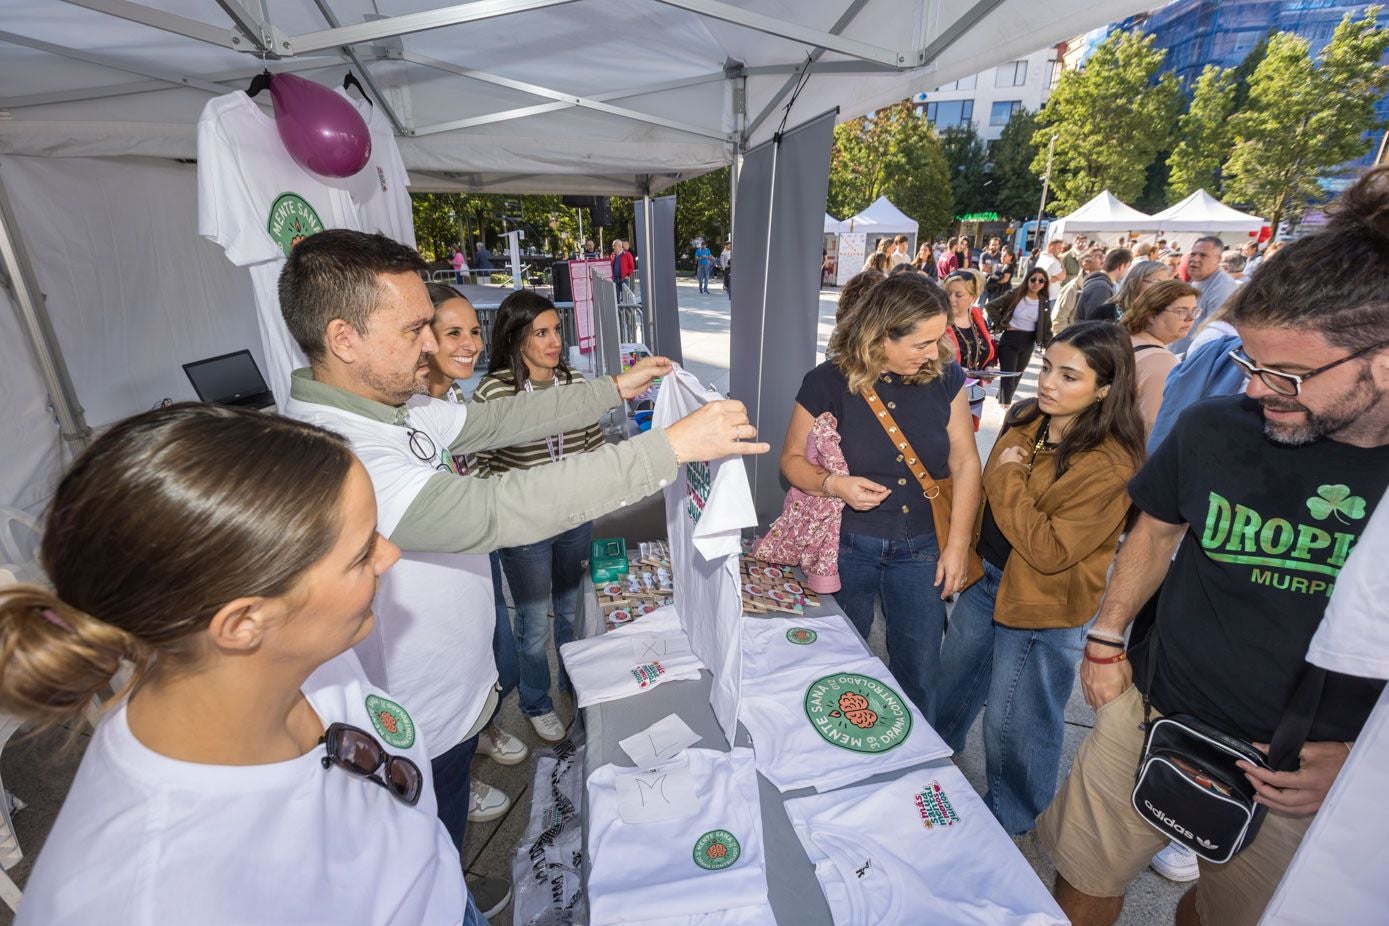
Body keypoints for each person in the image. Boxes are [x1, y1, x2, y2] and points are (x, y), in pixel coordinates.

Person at [277, 230, 767, 915]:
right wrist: (667, 449)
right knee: (421, 871)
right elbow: (498, 508)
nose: (432, 344)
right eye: (415, 327)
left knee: (436, 844)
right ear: (344, 337)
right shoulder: (338, 452)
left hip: (448, 692)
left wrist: (610, 389)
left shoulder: (395, 409)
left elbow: (502, 421)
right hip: (412, 720)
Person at [1035, 166, 1389, 926]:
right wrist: (1105, 638)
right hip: (1150, 711)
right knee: (1082, 882)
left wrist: (1368, 770)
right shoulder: (1214, 429)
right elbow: (1156, 528)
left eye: (1287, 374)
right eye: (1249, 364)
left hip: (1297, 775)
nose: (1257, 391)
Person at [3, 403, 482, 925]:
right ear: (242, 623)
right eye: (361, 553)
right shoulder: (147, 898)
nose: (389, 556)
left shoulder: (302, 649)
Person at [935, 322, 1147, 835]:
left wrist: (1006, 473)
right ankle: (929, 760)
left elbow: (1049, 550)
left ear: (1104, 389)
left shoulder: (1112, 463)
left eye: (1069, 376)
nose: (1048, 382)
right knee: (951, 686)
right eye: (1048, 367)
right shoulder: (1029, 416)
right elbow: (988, 493)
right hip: (989, 582)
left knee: (1016, 722)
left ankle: (1009, 820)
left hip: (1044, 605)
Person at [780, 274, 982, 723]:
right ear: (881, 334)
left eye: (937, 339)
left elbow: (967, 463)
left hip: (921, 547)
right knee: (835, 663)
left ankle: (916, 770)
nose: (933, 352)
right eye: (921, 343)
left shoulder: (946, 376)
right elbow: (791, 460)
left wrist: (957, 545)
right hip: (847, 546)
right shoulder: (827, 381)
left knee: (919, 670)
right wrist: (835, 484)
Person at [470, 291, 607, 744]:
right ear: (515, 337)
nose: (554, 342)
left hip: (574, 520)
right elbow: (484, 465)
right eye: (541, 333)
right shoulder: (495, 391)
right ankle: (535, 700)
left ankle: (572, 680)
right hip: (525, 531)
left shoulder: (572, 381)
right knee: (531, 625)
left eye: (557, 330)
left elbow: (591, 446)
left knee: (571, 610)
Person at [419, 283, 529, 825]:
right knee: (482, 657)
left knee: (497, 656)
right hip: (444, 566)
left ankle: (482, 730)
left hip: (475, 552)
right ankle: (463, 773)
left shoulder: (454, 396)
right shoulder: (411, 412)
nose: (471, 344)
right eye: (454, 332)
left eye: (474, 330)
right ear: (422, 338)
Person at [1119, 279, 1201, 436]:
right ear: (1151, 315)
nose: (1190, 318)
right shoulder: (1161, 361)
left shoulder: (1125, 338)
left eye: (1194, 311)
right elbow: (1153, 426)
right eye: (1181, 311)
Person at [986, 266, 1054, 406]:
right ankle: (1005, 406)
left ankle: (1003, 400)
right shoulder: (1015, 294)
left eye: (1041, 281)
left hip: (1028, 341)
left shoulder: (1044, 302)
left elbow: (1047, 326)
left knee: (1017, 375)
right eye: (1033, 279)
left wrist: (1051, 347)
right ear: (1027, 280)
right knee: (1008, 376)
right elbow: (990, 306)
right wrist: (1002, 324)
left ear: (1045, 284)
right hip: (1010, 339)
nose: (1036, 283)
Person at [942, 268, 997, 431]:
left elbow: (987, 347)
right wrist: (955, 370)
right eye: (948, 293)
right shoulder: (939, 318)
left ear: (973, 297)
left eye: (959, 295)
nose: (951, 299)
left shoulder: (977, 316)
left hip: (971, 393)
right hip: (946, 393)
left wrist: (989, 366)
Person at [1170, 234, 1237, 355]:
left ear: (1218, 259)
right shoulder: (1197, 279)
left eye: (1203, 255)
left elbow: (1216, 334)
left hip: (1192, 360)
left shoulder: (1222, 287)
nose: (1195, 259)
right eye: (1193, 254)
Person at [1092, 258, 1171, 323]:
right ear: (1133, 284)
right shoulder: (1106, 312)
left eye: (1165, 284)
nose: (1162, 288)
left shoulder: (1161, 314)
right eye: (1156, 282)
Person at [1074, 248, 1133, 323]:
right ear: (1121, 266)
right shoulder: (1101, 288)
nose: (1127, 271)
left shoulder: (1103, 285)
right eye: (1127, 267)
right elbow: (1094, 323)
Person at [1054, 250, 1104, 331]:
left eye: (1102, 255)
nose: (1102, 258)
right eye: (1098, 256)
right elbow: (1059, 320)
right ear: (1086, 264)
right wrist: (1067, 341)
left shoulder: (1104, 285)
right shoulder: (1073, 288)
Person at [1035, 238, 1067, 303]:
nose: (1061, 250)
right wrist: (1061, 262)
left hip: (1040, 294)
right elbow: (1063, 276)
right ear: (1051, 247)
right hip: (1051, 297)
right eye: (1059, 248)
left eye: (1061, 248)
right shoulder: (1053, 262)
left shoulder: (1043, 256)